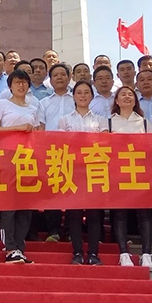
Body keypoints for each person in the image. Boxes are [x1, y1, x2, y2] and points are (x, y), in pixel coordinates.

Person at [0, 69, 39, 263]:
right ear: (10, 86)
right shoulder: (2, 104)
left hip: (27, 159)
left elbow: (37, 135)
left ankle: (20, 246)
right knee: (9, 204)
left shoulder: (33, 108)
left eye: (24, 82)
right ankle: (9, 247)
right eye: (17, 82)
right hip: (7, 157)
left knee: (25, 205)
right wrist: (18, 129)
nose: (21, 85)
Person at [58, 80, 108, 266]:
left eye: (86, 92)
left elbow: (105, 143)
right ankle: (77, 252)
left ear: (92, 96)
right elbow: (61, 144)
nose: (83, 96)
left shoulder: (101, 121)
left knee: (94, 214)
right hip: (73, 171)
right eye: (79, 92)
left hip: (95, 170)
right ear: (73, 96)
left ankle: (94, 253)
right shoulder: (64, 120)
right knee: (74, 214)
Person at [109, 85, 152, 267]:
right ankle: (123, 253)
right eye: (123, 95)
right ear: (116, 100)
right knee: (120, 214)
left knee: (144, 214)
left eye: (130, 94)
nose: (127, 97)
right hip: (118, 175)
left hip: (141, 174)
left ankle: (147, 254)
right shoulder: (109, 122)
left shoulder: (144, 122)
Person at [37, 62, 75, 242]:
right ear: (50, 80)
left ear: (69, 77)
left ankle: (71, 230)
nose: (59, 78)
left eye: (62, 74)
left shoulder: (77, 98)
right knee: (52, 190)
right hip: (51, 151)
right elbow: (41, 127)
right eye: (55, 75)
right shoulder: (43, 102)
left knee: (73, 190)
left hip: (74, 151)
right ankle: (53, 231)